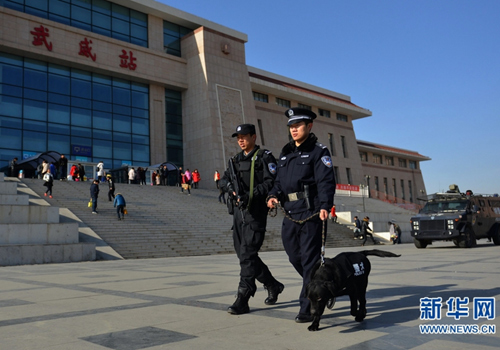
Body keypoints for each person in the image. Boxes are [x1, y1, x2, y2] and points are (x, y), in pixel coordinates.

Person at [266, 107, 336, 323]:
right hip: (290, 212)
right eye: (291, 126)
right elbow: (278, 181)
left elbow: (326, 181)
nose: (294, 129)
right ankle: (321, 283)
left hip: (310, 211)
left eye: (298, 125)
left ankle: (306, 307)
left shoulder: (319, 151)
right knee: (294, 255)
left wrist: (325, 204)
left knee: (309, 260)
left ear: (309, 126)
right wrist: (273, 194)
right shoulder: (286, 151)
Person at [220, 123, 284, 315]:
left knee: (247, 254)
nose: (241, 140)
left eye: (245, 136)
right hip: (238, 215)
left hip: (255, 213)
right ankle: (273, 284)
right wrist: (230, 189)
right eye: (238, 137)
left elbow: (271, 182)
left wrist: (251, 194)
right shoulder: (235, 160)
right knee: (244, 255)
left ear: (254, 137)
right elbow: (222, 180)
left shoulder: (264, 157)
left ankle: (244, 296)